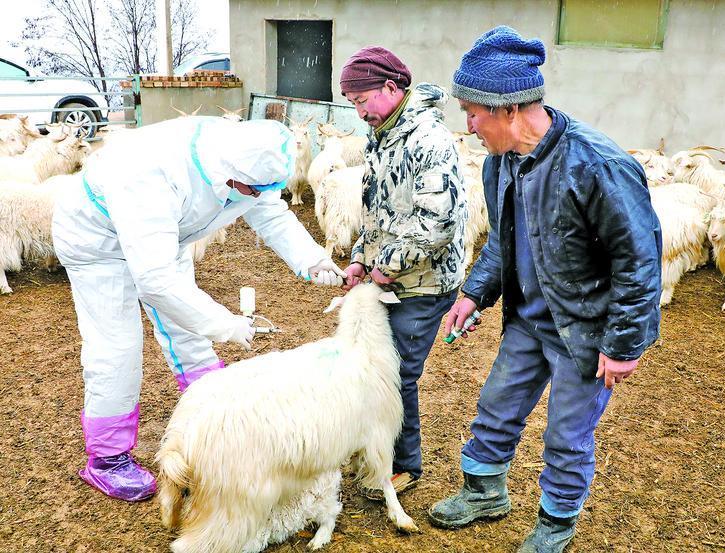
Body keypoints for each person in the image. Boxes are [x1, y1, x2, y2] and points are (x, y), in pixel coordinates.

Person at [427, 26, 662, 552]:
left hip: (585, 333)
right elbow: (502, 243)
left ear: (508, 109)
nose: (468, 127)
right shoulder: (501, 163)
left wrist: (623, 344)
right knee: (496, 408)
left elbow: (639, 259)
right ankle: (484, 492)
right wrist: (473, 293)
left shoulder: (597, 164)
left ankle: (556, 524)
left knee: (565, 437)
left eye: (472, 113)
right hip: (529, 321)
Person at [52, 116, 346, 502]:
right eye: (252, 189)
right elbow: (155, 281)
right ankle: (107, 458)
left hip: (168, 235)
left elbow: (269, 210)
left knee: (187, 334)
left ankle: (215, 420)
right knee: (117, 348)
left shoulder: (248, 157)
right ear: (232, 177)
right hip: (98, 241)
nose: (258, 195)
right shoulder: (152, 175)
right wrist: (226, 324)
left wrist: (312, 260)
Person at [339, 46, 467, 497]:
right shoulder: (385, 135)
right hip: (394, 275)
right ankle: (377, 448)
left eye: (362, 100)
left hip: (426, 281)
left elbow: (439, 222)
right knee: (374, 365)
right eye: (352, 103)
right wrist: (360, 255)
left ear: (391, 88)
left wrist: (384, 267)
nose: (359, 112)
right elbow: (378, 212)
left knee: (396, 372)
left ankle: (404, 464)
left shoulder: (428, 140)